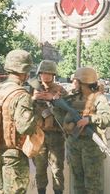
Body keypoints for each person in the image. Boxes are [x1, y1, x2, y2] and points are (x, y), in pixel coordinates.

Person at [0, 49, 37, 193]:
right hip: (13, 155)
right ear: (25, 72)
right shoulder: (21, 94)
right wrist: (37, 115)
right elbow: (25, 128)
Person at [63, 67, 110, 193]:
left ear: (83, 83)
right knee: (77, 181)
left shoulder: (99, 98)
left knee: (93, 183)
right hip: (74, 144)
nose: (73, 84)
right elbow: (60, 113)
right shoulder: (73, 98)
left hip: (91, 146)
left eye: (76, 81)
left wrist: (90, 119)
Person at [32, 60, 67, 194]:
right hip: (39, 135)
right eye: (43, 73)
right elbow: (24, 109)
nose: (45, 76)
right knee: (40, 169)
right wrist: (33, 99)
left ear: (53, 75)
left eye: (49, 73)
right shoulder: (33, 88)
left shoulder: (60, 90)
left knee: (57, 169)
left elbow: (68, 110)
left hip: (56, 135)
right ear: (39, 74)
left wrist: (54, 99)